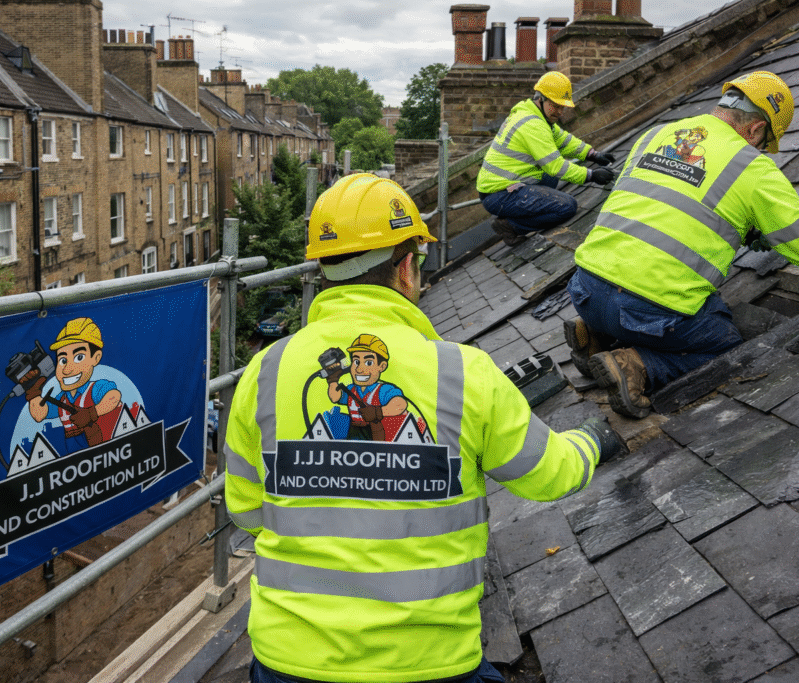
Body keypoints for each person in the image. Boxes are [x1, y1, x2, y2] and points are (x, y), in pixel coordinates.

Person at [224, 173, 622, 683]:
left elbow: (247, 513)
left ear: (322, 270)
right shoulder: (461, 373)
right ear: (406, 268)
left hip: (287, 660)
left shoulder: (266, 372)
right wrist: (590, 440)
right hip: (429, 662)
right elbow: (550, 475)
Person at [565, 71, 799, 419]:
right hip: (645, 310)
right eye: (763, 142)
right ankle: (635, 365)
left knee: (627, 306)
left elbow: (661, 205)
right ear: (756, 129)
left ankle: (594, 332)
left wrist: (740, 225)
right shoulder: (752, 166)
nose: (760, 150)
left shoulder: (656, 134)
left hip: (585, 289)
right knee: (725, 346)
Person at [477, 71, 617, 247]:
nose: (560, 112)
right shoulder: (533, 124)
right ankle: (511, 226)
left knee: (549, 177)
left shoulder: (535, 115)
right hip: (499, 195)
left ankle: (525, 209)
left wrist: (592, 154)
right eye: (556, 106)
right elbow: (556, 166)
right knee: (567, 206)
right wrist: (591, 175)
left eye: (562, 107)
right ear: (541, 99)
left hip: (504, 186)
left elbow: (563, 140)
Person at [26, 317, 124, 449]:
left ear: (96, 358)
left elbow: (114, 397)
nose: (67, 369)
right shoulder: (62, 400)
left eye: (79, 357)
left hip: (106, 449)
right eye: (62, 360)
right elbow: (39, 415)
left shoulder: (95, 389)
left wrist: (92, 413)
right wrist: (33, 393)